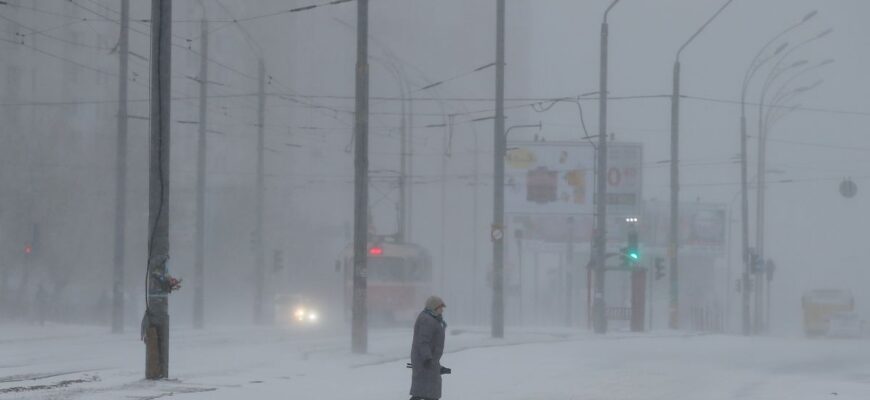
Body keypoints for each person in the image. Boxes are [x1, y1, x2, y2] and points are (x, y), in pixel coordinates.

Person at [410, 295, 448, 400]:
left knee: (426, 390)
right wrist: (427, 358)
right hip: (425, 360)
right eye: (440, 307)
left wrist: (437, 365)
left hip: (429, 360)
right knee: (426, 390)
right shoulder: (427, 320)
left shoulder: (432, 319)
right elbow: (423, 341)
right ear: (434, 307)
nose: (442, 310)